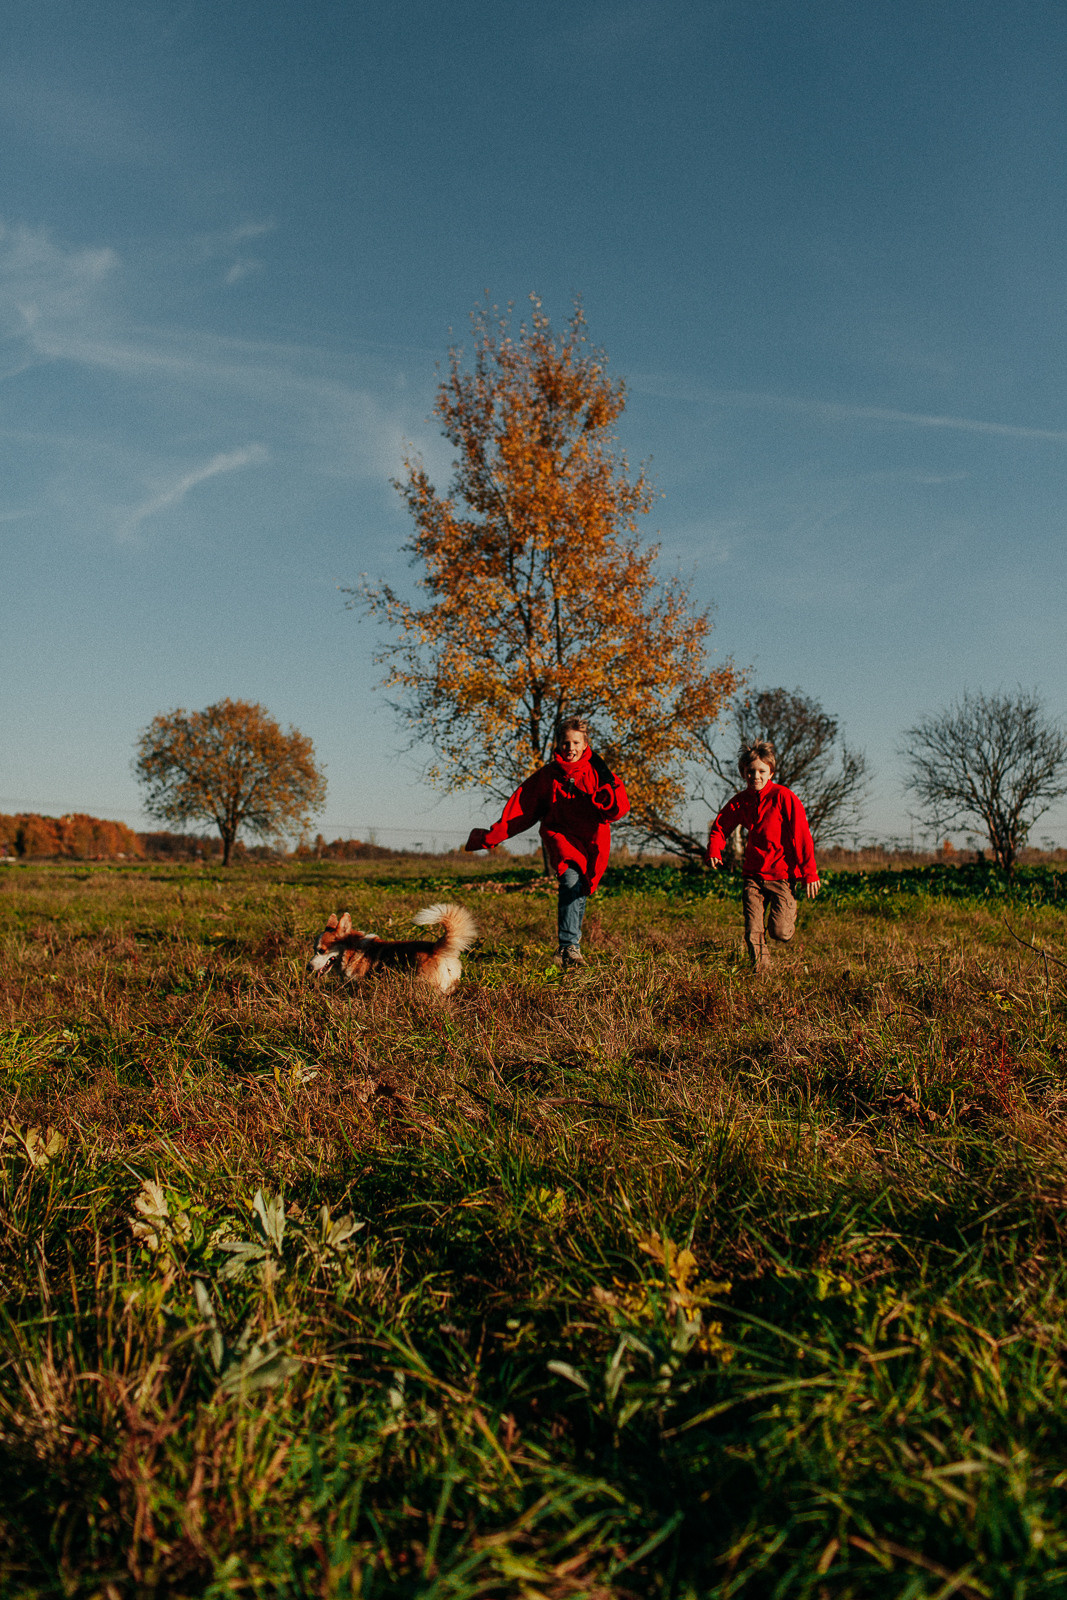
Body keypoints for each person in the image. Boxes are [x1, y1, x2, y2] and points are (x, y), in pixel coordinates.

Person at [464, 717, 629, 967]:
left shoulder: (599, 772)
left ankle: (571, 946)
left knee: (582, 886)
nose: (570, 748)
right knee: (570, 879)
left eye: (575, 742)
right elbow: (522, 810)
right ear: (557, 745)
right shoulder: (547, 776)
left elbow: (617, 811)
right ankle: (568, 948)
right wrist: (490, 837)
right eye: (565, 743)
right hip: (560, 836)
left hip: (592, 840)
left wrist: (608, 790)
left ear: (585, 744)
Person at [705, 741, 820, 971]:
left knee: (779, 932)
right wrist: (714, 849)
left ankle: (788, 911)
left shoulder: (784, 797)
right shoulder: (741, 801)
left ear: (771, 773)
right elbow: (721, 825)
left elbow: (802, 835)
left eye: (761, 771)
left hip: (781, 876)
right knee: (752, 929)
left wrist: (809, 872)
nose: (755, 776)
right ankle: (762, 972)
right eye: (750, 772)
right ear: (743, 772)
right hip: (753, 875)